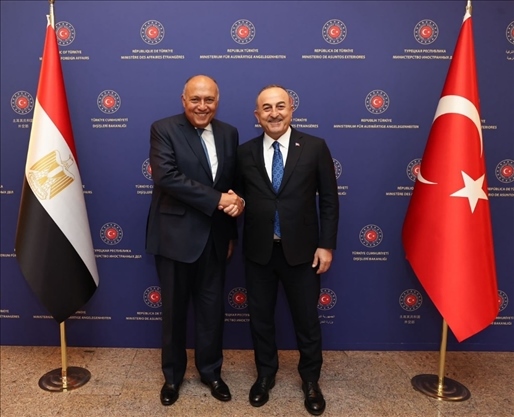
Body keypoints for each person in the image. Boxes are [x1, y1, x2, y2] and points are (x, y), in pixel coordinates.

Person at [236, 85, 339, 416]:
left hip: (303, 253)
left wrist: (326, 245)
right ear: (257, 116)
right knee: (261, 320)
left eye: (280, 106)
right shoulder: (244, 152)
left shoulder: (315, 147)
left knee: (307, 321)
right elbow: (235, 198)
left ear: (292, 109)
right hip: (259, 253)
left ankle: (310, 380)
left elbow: (329, 200)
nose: (274, 113)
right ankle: (265, 375)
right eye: (266, 108)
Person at [145, 75, 244, 406]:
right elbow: (167, 177)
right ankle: (172, 377)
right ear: (183, 100)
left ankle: (211, 372)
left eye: (209, 100)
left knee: (212, 312)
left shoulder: (229, 133)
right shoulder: (163, 129)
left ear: (218, 101)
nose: (202, 106)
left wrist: (231, 228)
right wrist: (219, 200)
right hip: (174, 238)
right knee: (174, 313)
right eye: (195, 99)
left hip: (215, 239)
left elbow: (231, 184)